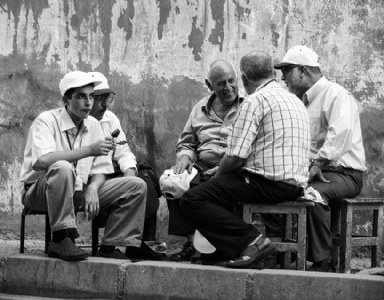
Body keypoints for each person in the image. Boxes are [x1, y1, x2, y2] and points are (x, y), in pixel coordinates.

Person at [179, 51, 311, 268]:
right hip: (296, 185)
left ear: (244, 79)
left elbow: (235, 157)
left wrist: (217, 177)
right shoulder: (293, 99)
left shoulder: (254, 100)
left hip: (268, 183)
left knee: (193, 200)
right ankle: (230, 251)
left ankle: (253, 242)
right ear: (273, 73)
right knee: (223, 187)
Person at [20, 71, 148, 261]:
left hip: (78, 190)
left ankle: (109, 246)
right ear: (66, 99)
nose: (88, 103)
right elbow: (43, 161)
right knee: (62, 167)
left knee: (136, 185)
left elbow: (101, 168)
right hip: (41, 193)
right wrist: (89, 150)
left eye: (90, 96)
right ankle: (61, 238)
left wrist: (94, 188)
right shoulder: (46, 121)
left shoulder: (93, 124)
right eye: (81, 96)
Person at [274, 45, 366, 272]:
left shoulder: (335, 94)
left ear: (302, 71)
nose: (283, 78)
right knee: (272, 188)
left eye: (287, 71)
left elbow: (340, 136)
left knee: (312, 194)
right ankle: (279, 253)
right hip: (317, 171)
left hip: (345, 174)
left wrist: (317, 164)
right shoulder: (301, 101)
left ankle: (324, 261)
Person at [164, 59, 245, 262]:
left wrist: (224, 166)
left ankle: (220, 246)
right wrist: (184, 157)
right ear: (210, 86)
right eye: (221, 84)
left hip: (233, 166)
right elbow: (187, 142)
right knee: (175, 183)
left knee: (216, 190)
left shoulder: (249, 105)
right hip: (202, 164)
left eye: (231, 81)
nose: (228, 88)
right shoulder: (200, 108)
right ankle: (186, 243)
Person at [88, 71, 164, 260]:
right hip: (92, 175)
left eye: (107, 98)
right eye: (99, 99)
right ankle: (109, 246)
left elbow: (123, 151)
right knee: (133, 185)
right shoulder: (80, 120)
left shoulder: (110, 118)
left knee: (145, 177)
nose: (104, 104)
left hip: (111, 170)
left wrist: (129, 172)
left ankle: (137, 243)